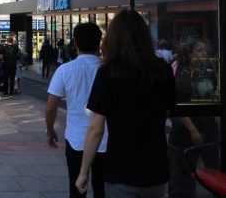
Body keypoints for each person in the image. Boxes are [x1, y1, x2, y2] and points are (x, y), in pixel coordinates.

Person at [76, 10, 177, 197]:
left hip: (121, 169)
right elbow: (166, 112)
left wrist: (83, 172)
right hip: (156, 168)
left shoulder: (108, 73)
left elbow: (96, 129)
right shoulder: (163, 70)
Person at [46, 22, 105, 198]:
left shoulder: (65, 70)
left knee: (77, 189)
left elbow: (50, 107)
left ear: (75, 43)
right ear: (99, 43)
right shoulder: (109, 70)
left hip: (77, 140)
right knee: (103, 189)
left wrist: (50, 131)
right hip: (106, 141)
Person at [167, 36, 218, 198]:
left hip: (207, 126)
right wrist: (192, 129)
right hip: (186, 130)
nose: (204, 53)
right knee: (183, 175)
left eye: (205, 50)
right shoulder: (182, 74)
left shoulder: (207, 71)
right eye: (199, 50)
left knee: (213, 169)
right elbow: (178, 104)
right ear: (189, 54)